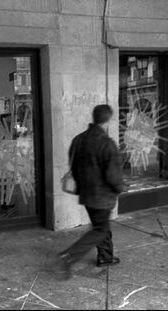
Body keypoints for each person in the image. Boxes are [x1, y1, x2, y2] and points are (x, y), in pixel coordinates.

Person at [58, 104, 124, 279]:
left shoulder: (79, 139)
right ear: (108, 120)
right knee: (100, 229)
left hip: (86, 194)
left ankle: (105, 257)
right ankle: (70, 255)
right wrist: (120, 189)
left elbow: (73, 165)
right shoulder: (107, 144)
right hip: (102, 196)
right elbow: (113, 176)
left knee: (101, 226)